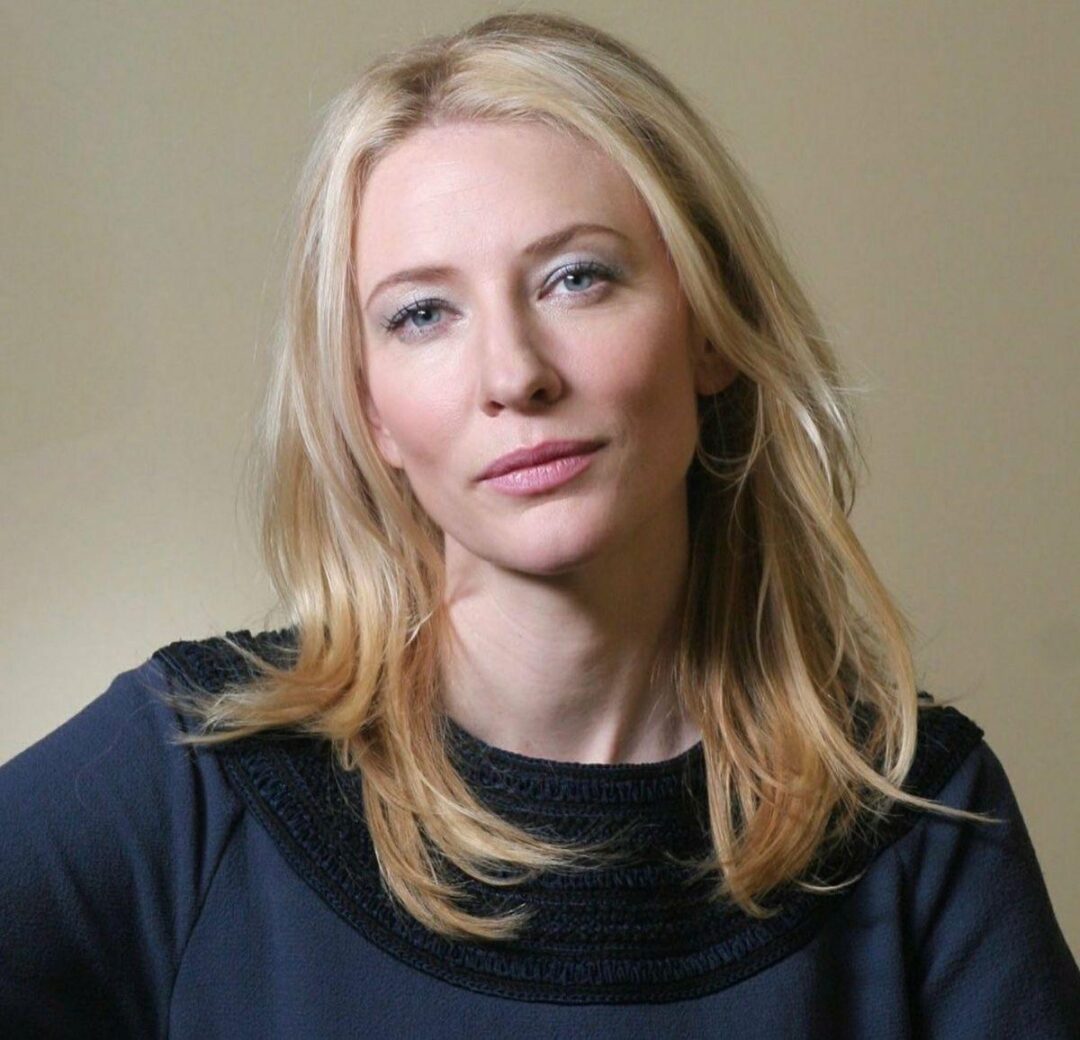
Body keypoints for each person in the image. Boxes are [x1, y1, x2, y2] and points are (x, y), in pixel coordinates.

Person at [2, 11, 1077, 1038]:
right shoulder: (192, 774)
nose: (514, 374)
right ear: (370, 406)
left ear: (709, 330)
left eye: (577, 277)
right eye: (423, 313)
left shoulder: (920, 813)